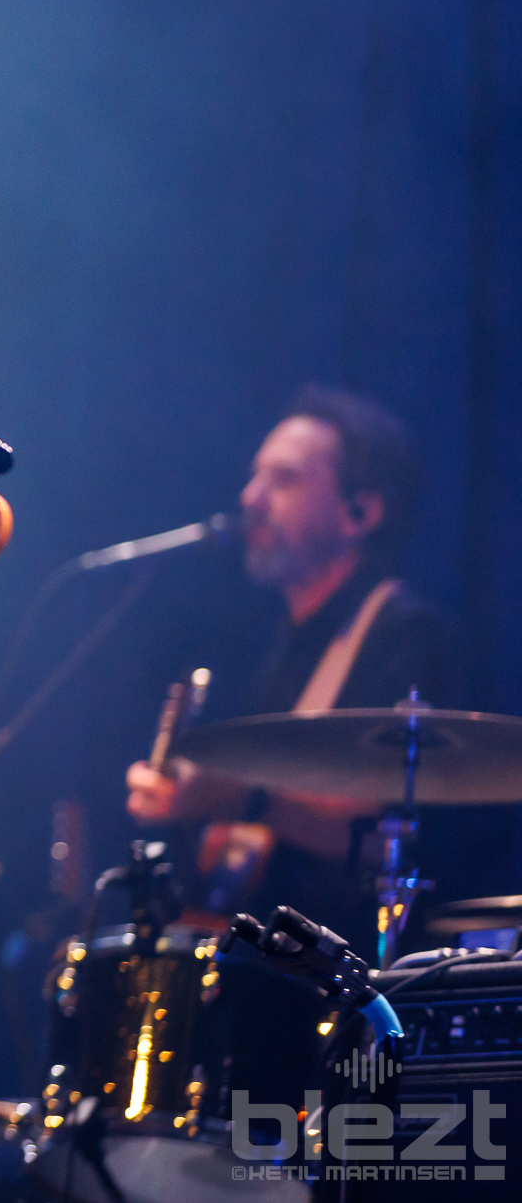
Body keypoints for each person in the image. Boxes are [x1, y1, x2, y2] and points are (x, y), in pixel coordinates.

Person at [125, 387, 456, 944]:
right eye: (256, 476)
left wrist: (241, 798)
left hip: (352, 982)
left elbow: (391, 841)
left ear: (360, 513)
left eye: (285, 479)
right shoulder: (280, 650)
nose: (250, 497)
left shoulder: (408, 637)